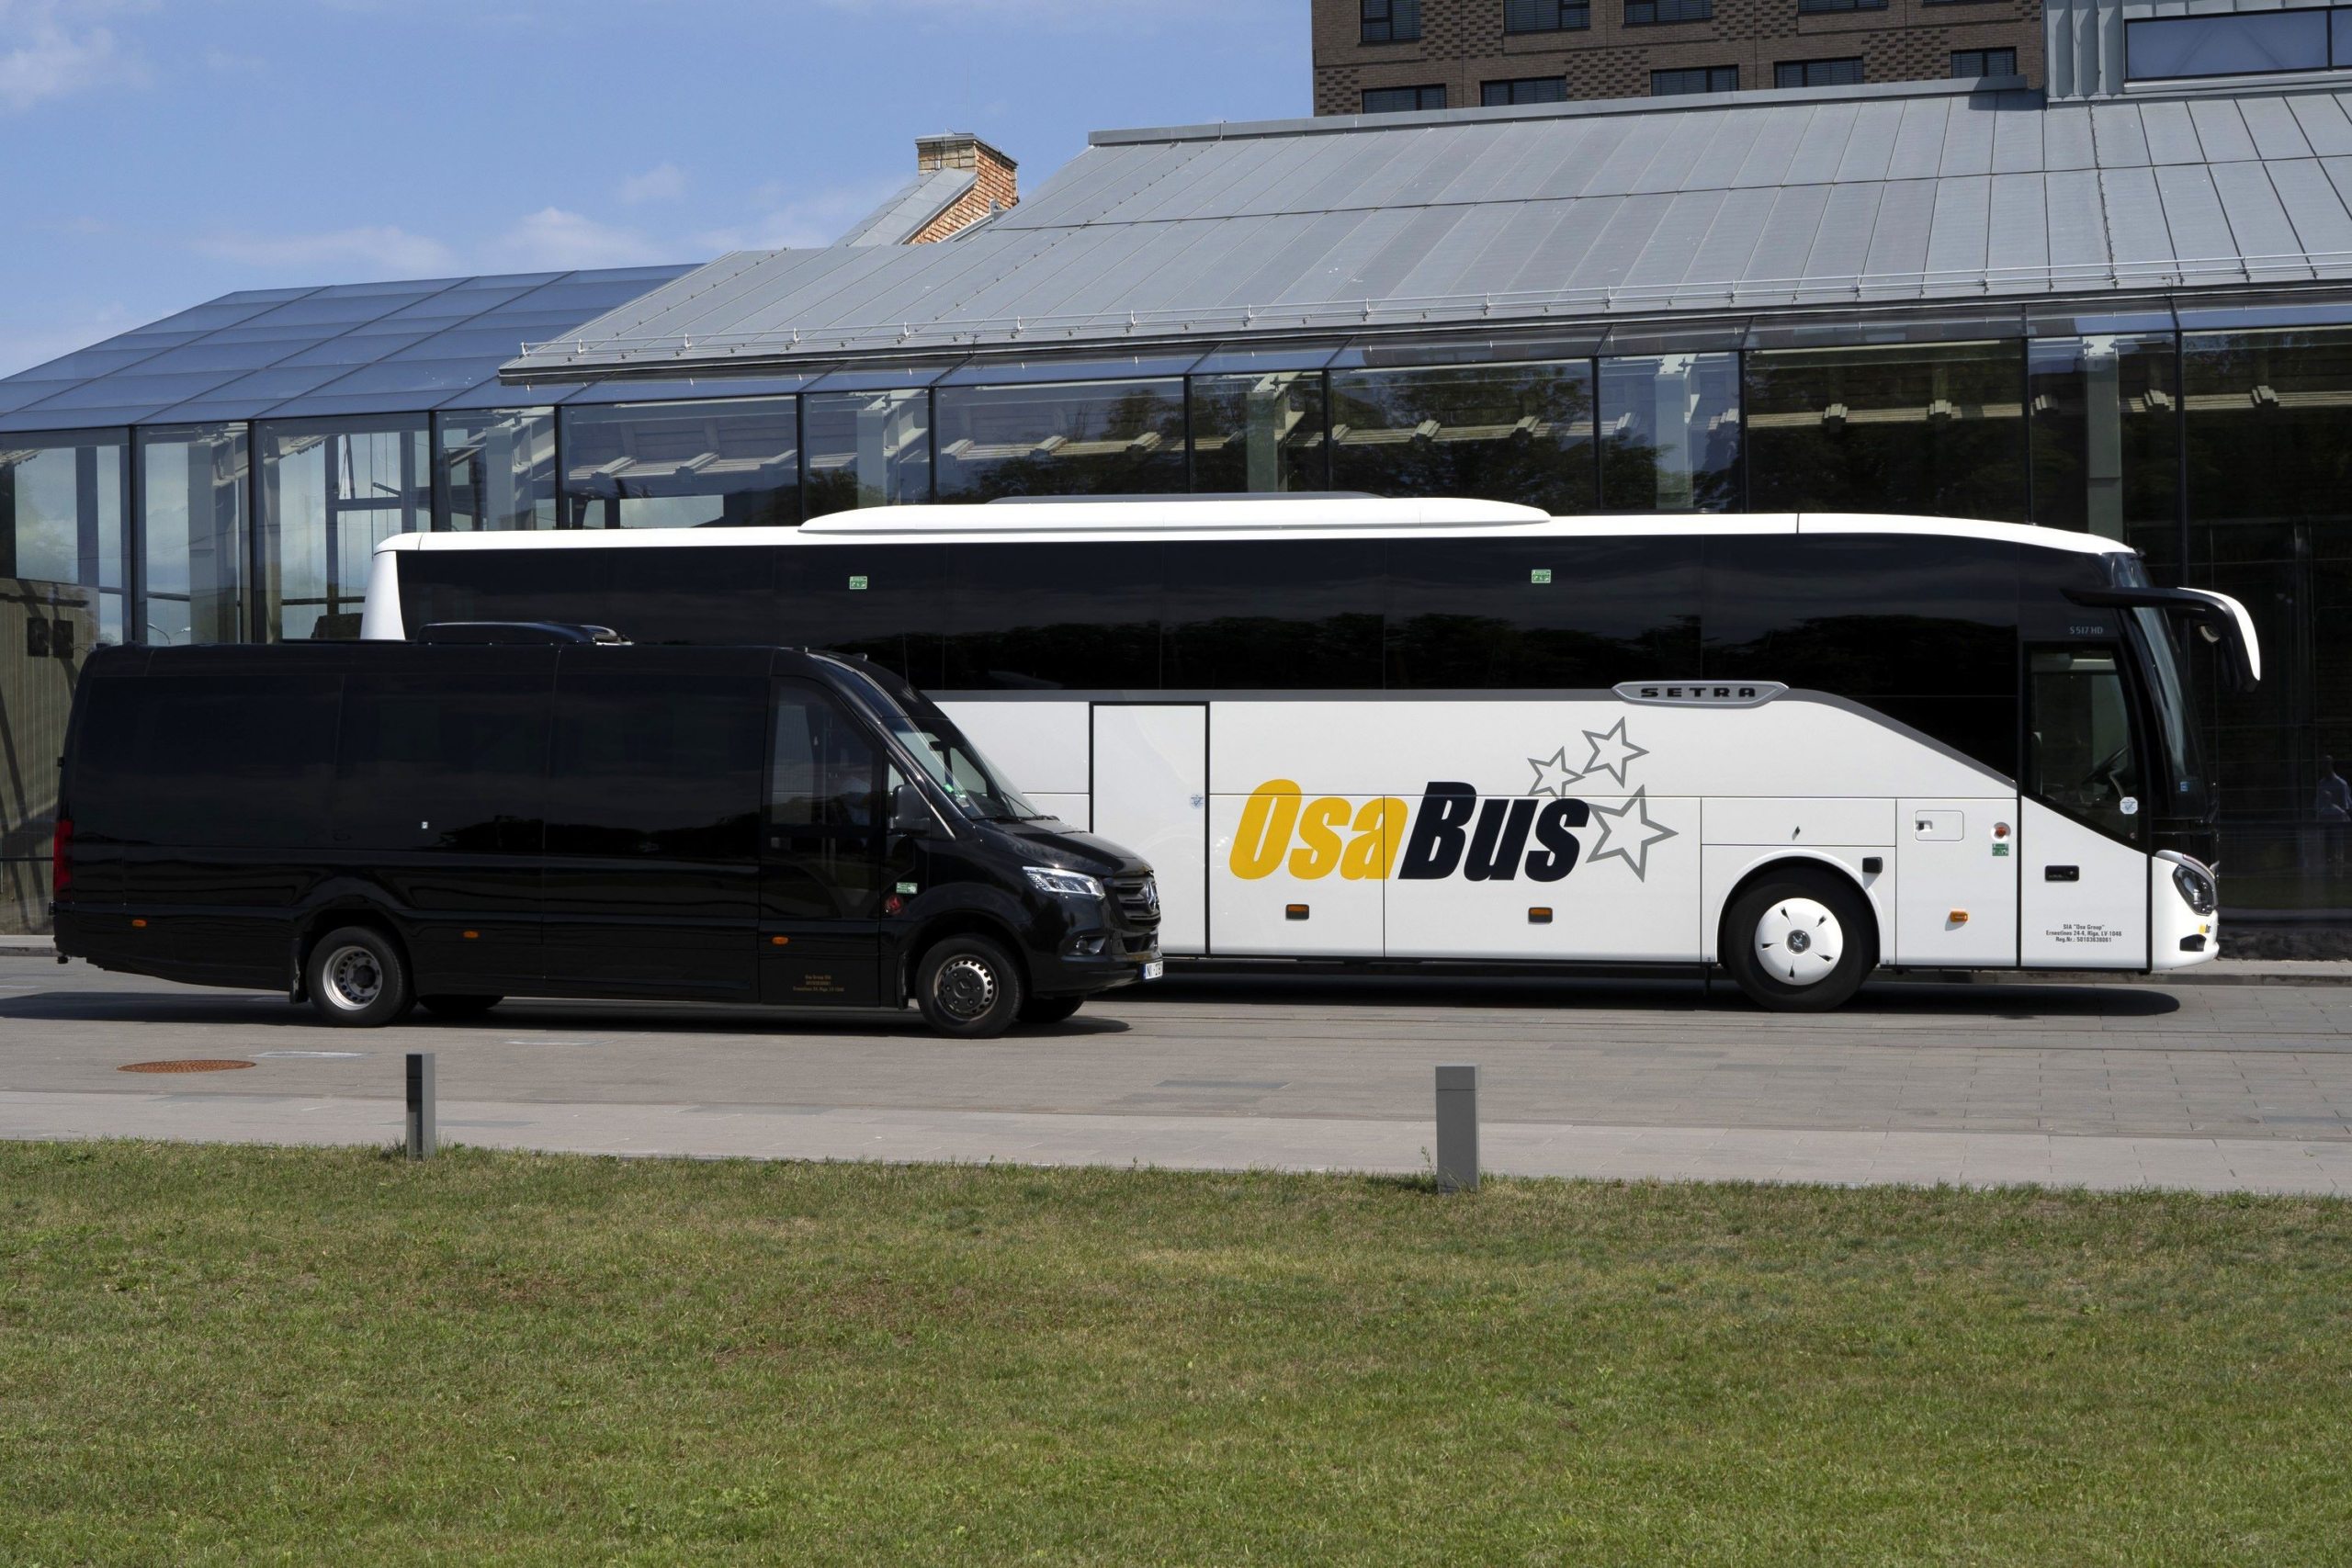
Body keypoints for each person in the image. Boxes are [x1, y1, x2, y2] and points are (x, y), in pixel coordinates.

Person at [2318, 756, 2352, 875]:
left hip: (2338, 821)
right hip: (2326, 821)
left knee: (2338, 843)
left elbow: (2346, 806)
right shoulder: (2321, 784)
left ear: (2331, 766)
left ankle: (2339, 859)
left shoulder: (2341, 784)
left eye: (2326, 765)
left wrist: (2337, 812)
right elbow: (2318, 804)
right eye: (2322, 765)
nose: (2324, 768)